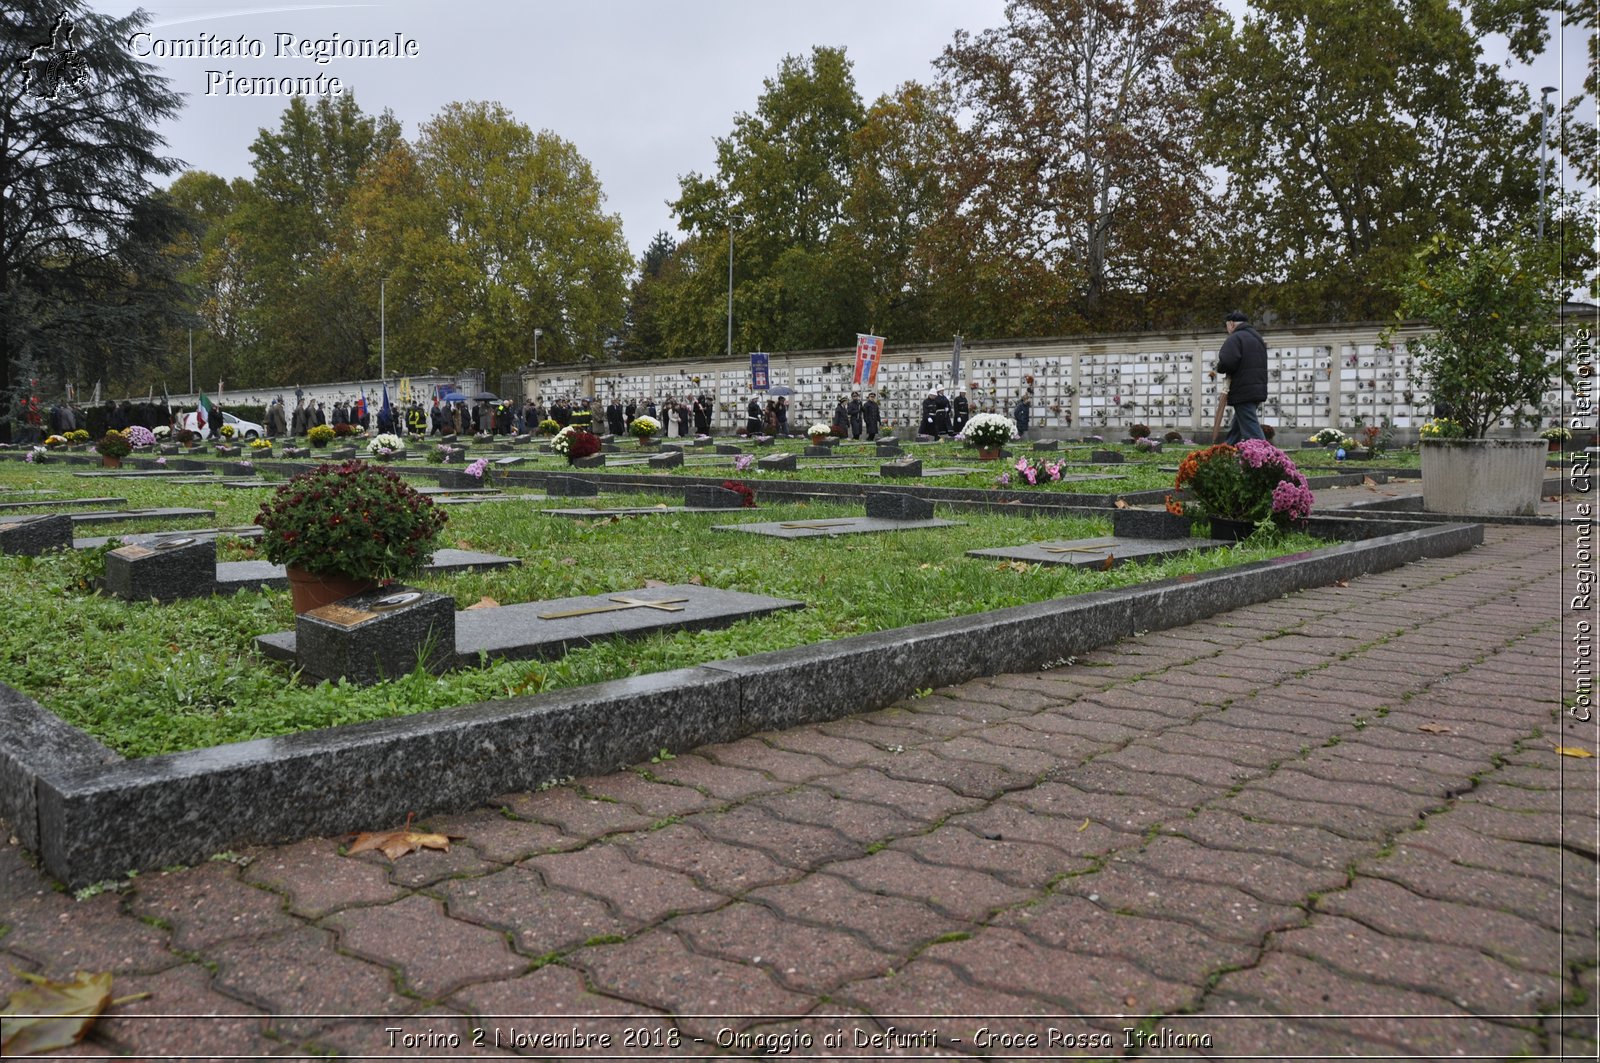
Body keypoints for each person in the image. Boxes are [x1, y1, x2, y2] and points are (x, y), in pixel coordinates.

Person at [1217, 310, 1268, 443]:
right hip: (1257, 387)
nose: (1227, 329)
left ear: (1232, 324)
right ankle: (1227, 450)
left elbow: (1228, 362)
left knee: (1251, 429)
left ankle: (1268, 457)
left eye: (1227, 325)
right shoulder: (1257, 337)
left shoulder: (1235, 338)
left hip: (1242, 389)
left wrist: (1220, 367)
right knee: (1238, 426)